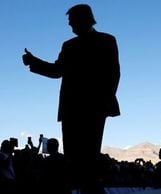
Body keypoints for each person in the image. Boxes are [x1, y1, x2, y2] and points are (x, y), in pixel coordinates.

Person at [22, 4, 120, 194]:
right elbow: (57, 71)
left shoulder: (107, 41)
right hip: (71, 111)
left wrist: (103, 101)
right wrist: (34, 62)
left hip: (94, 109)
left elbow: (114, 73)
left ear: (84, 19)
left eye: (72, 22)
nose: (70, 26)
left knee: (89, 160)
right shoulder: (69, 46)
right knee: (74, 160)